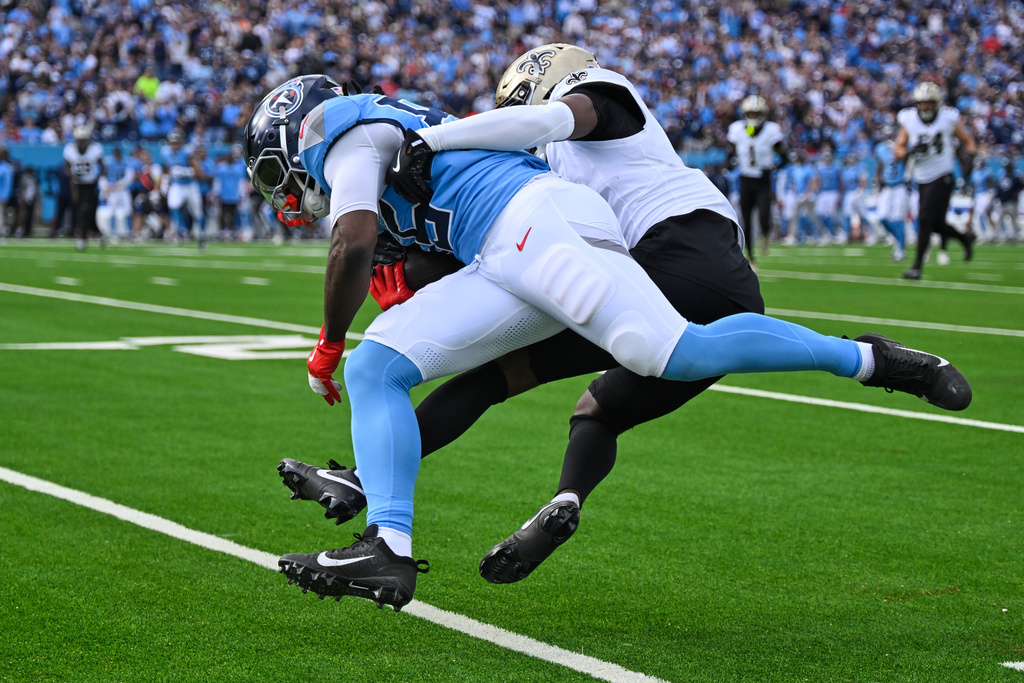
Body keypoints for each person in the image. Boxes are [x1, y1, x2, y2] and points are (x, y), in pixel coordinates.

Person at [248, 73, 971, 612]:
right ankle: (388, 545)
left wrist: (327, 343)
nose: (280, 186)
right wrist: (396, 283)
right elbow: (410, 234)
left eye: (271, 167)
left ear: (293, 130)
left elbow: (353, 240)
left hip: (538, 225)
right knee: (384, 366)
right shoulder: (386, 133)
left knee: (673, 353)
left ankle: (869, 357)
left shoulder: (337, 129)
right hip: (504, 247)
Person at [895, 82, 977, 280]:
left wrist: (969, 158)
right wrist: (907, 154)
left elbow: (968, 141)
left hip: (943, 175)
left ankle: (916, 266)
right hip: (922, 177)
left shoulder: (948, 119)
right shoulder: (909, 120)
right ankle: (964, 238)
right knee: (936, 224)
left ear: (937, 103)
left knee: (924, 219)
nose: (925, 108)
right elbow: (898, 148)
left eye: (929, 103)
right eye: (922, 104)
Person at [726, 95, 789, 261]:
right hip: (745, 179)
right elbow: (729, 154)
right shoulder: (737, 130)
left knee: (764, 218)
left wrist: (775, 167)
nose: (753, 117)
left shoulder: (771, 130)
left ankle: (766, 236)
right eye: (750, 113)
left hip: (763, 179)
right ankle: (751, 257)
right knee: (746, 219)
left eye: (756, 113)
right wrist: (731, 163)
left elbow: (784, 155)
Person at [63, 125, 104, 251]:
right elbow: (67, 167)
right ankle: (97, 233)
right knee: (86, 212)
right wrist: (72, 178)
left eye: (84, 139)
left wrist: (100, 180)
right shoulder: (69, 149)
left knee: (85, 211)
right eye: (80, 140)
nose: (82, 142)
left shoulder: (95, 148)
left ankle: (82, 239)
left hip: (90, 184)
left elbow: (103, 166)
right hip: (77, 184)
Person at [873, 129, 909, 260]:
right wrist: (878, 184)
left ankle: (900, 248)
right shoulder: (881, 148)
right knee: (882, 217)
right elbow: (880, 166)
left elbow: (909, 161)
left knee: (898, 218)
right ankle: (898, 239)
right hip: (887, 187)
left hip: (900, 186)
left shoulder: (903, 147)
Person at [993, 159, 1023, 243]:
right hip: (1003, 202)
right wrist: (997, 197)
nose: (1007, 168)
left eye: (1008, 166)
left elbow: (1021, 186)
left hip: (1012, 203)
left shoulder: (1016, 177)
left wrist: (1016, 194)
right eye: (1006, 166)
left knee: (1013, 220)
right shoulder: (1002, 176)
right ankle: (997, 236)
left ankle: (1015, 236)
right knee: (999, 220)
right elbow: (999, 188)